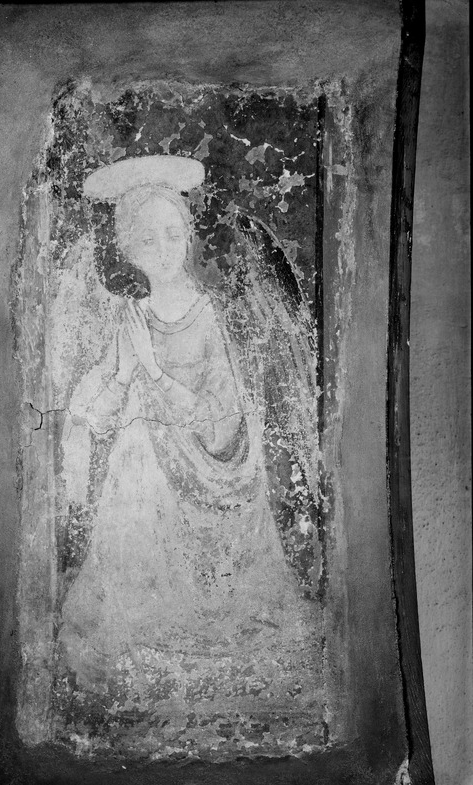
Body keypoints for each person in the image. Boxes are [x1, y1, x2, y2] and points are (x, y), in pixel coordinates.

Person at [57, 155, 318, 692]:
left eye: (172, 235)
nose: (163, 249)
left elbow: (221, 418)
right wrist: (125, 373)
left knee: (144, 444)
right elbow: (101, 416)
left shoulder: (207, 313)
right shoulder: (130, 317)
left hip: (210, 465)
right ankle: (142, 614)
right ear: (130, 249)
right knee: (135, 445)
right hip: (147, 471)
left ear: (187, 237)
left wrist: (153, 370)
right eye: (148, 239)